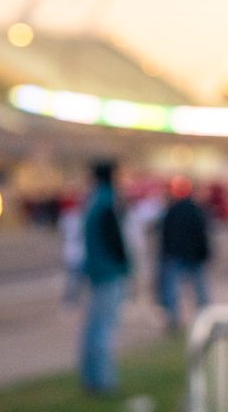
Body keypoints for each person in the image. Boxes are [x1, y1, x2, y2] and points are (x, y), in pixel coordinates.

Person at [80, 160, 130, 395]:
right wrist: (124, 264)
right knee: (104, 329)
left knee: (94, 327)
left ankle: (92, 378)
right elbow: (115, 240)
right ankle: (103, 381)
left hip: (98, 271)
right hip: (109, 272)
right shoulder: (107, 202)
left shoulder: (93, 201)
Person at [157, 175, 211, 331]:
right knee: (196, 290)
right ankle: (205, 317)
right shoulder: (191, 209)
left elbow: (167, 236)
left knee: (176, 291)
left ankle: (179, 320)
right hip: (188, 255)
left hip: (180, 255)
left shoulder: (175, 210)